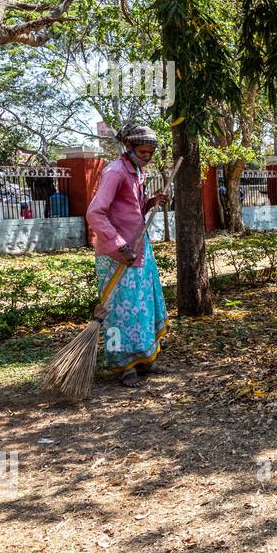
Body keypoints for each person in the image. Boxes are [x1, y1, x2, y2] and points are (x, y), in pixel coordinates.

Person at [86, 124, 170, 386]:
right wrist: (119, 245)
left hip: (140, 250)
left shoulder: (136, 172)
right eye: (143, 151)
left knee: (141, 307)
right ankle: (122, 366)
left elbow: (131, 209)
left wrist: (151, 202)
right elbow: (95, 213)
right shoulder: (114, 172)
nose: (147, 156)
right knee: (118, 313)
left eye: (150, 153)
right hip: (117, 254)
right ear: (129, 147)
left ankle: (144, 358)